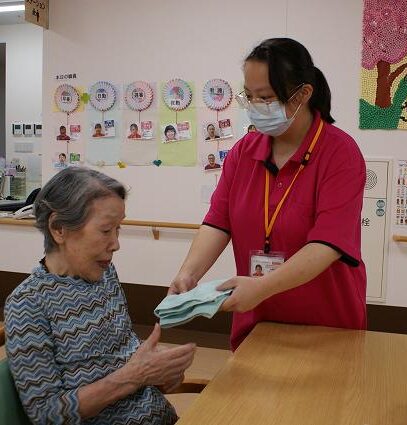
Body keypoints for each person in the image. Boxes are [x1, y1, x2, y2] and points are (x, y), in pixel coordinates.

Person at [168, 38, 367, 351]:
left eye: (265, 97)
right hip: (257, 322)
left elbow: (328, 244)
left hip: (325, 325)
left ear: (303, 94)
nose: (256, 106)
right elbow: (218, 222)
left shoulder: (339, 153)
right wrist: (188, 274)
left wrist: (261, 287)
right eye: (249, 96)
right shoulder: (243, 152)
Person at [4, 167, 196, 424]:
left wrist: (161, 371)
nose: (116, 244)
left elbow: (122, 354)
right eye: (106, 230)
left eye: (118, 229)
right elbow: (48, 414)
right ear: (58, 228)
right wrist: (134, 375)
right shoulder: (27, 304)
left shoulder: (104, 274)